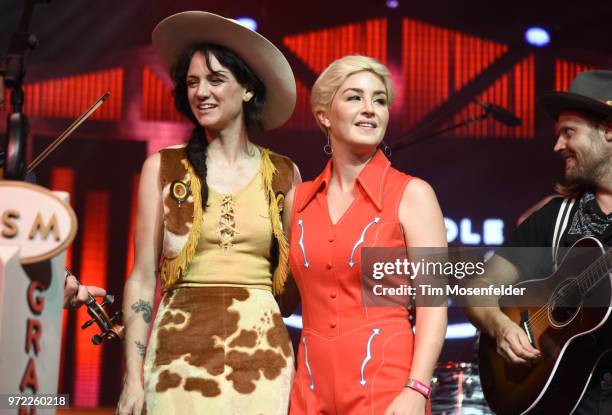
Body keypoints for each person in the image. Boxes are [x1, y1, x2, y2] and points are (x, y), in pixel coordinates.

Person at [117, 11, 300, 415]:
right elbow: (143, 278)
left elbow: (301, 280)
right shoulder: (163, 169)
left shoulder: (284, 174)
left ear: (248, 89)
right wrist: (133, 377)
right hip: (177, 356)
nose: (201, 92)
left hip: (262, 354)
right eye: (193, 82)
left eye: (216, 80)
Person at [282, 55, 447, 415]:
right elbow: (284, 296)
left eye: (380, 100)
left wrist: (416, 389)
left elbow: (434, 306)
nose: (370, 109)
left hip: (387, 389)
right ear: (325, 115)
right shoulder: (298, 200)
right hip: (309, 390)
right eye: (355, 97)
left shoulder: (413, 194)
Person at [465, 70, 612, 413]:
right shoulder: (555, 217)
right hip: (568, 402)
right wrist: (500, 326)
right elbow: (479, 286)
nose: (558, 146)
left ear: (608, 130)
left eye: (568, 132)